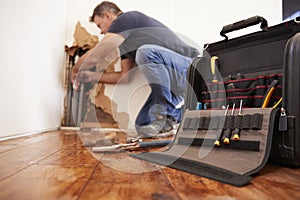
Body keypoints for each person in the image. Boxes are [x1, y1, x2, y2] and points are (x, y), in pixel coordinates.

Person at [71, 1, 199, 137]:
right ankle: (190, 115)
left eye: (99, 26)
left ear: (108, 16)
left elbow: (97, 55)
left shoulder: (126, 19)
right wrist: (91, 76)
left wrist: (76, 68)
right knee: (143, 124)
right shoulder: (125, 45)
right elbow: (124, 76)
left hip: (188, 68)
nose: (102, 32)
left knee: (145, 52)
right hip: (172, 84)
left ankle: (167, 117)